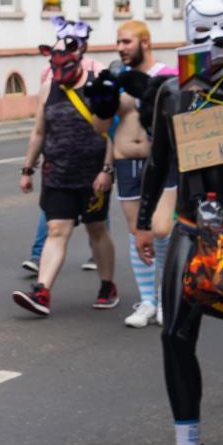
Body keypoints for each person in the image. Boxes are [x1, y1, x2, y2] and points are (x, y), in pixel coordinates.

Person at [137, 0, 223, 445]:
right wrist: (140, 223)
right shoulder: (174, 92)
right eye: (207, 31)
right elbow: (157, 162)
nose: (216, 40)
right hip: (190, 227)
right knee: (175, 335)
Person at [13, 18, 118, 316]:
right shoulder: (49, 88)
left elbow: (111, 130)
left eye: (66, 70)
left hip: (92, 176)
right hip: (57, 173)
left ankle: (107, 285)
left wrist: (107, 170)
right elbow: (38, 132)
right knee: (56, 229)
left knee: (97, 229)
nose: (61, 76)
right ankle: (42, 292)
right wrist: (27, 169)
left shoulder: (99, 84)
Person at [85, 20, 176, 328]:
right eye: (118, 42)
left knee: (161, 232)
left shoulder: (168, 77)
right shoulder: (117, 80)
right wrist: (102, 102)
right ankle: (147, 301)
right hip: (127, 163)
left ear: (145, 43)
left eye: (126, 42)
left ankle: (166, 298)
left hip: (160, 164)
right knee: (137, 233)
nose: (120, 48)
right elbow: (100, 130)